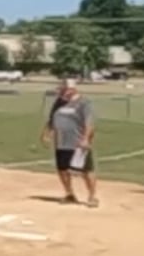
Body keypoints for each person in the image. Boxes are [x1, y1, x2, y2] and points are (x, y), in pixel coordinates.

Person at [41, 78, 100, 207]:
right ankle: (69, 194)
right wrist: (46, 133)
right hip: (61, 142)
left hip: (78, 143)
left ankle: (92, 196)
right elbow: (52, 119)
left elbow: (89, 123)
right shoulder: (59, 102)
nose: (61, 92)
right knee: (62, 169)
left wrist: (85, 139)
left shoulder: (84, 103)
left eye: (63, 90)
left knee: (86, 170)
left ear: (72, 89)